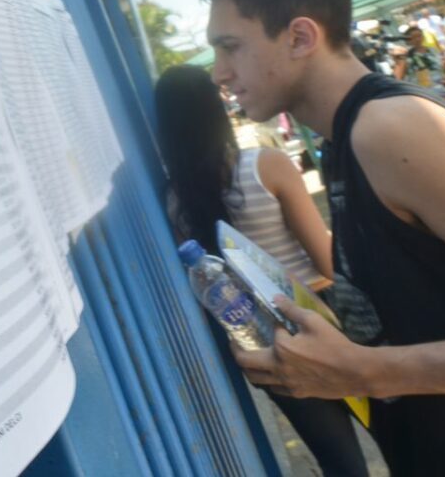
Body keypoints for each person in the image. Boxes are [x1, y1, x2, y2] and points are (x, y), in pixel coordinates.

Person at [203, 0, 445, 475]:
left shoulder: (392, 128)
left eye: (230, 46)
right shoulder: (345, 142)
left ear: (301, 36)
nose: (218, 72)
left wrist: (366, 372)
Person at [154, 65, 368, 476]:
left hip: (267, 344)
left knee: (341, 463)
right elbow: (328, 261)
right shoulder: (265, 166)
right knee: (400, 433)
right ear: (216, 109)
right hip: (323, 317)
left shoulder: (174, 201)